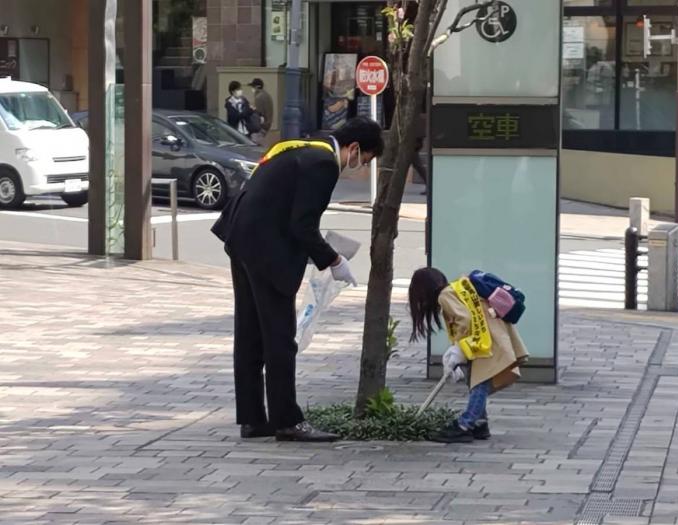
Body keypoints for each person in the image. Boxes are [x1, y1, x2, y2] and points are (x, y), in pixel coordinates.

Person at [217, 117, 384, 442]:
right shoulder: (323, 164)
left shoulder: (304, 148)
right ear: (354, 148)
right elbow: (302, 225)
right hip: (266, 250)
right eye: (364, 159)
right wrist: (334, 260)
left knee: (249, 332)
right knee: (280, 337)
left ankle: (252, 419)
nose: (360, 167)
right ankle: (287, 421)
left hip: (241, 239)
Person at [408, 267, 528, 443]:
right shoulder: (457, 289)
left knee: (479, 382)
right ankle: (480, 423)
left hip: (486, 342)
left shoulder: (444, 296)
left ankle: (465, 424)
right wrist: (455, 353)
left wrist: (457, 349)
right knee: (476, 380)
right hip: (490, 338)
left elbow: (464, 319)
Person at [248, 78, 274, 144]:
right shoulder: (267, 95)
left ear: (257, 87)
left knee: (253, 146)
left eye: (253, 87)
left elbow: (257, 114)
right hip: (266, 126)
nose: (252, 89)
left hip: (260, 128)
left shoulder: (259, 97)